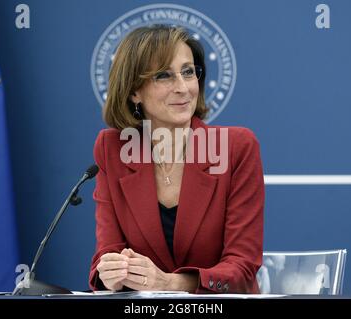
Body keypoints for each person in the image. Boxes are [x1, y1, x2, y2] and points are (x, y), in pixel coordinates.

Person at [89, 25, 265, 294]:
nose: (183, 88)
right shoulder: (112, 149)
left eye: (188, 72)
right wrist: (111, 273)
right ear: (134, 91)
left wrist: (170, 284)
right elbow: (108, 252)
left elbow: (241, 268)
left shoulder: (236, 147)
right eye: (164, 76)